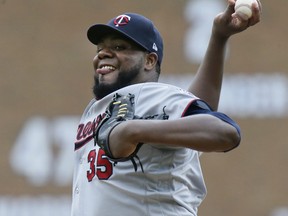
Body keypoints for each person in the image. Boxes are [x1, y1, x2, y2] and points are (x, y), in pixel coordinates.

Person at [71, 0, 261, 215]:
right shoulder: (101, 107)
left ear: (149, 61)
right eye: (100, 49)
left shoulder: (147, 94)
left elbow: (225, 131)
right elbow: (197, 108)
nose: (102, 54)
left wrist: (131, 131)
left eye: (118, 47)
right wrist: (219, 37)